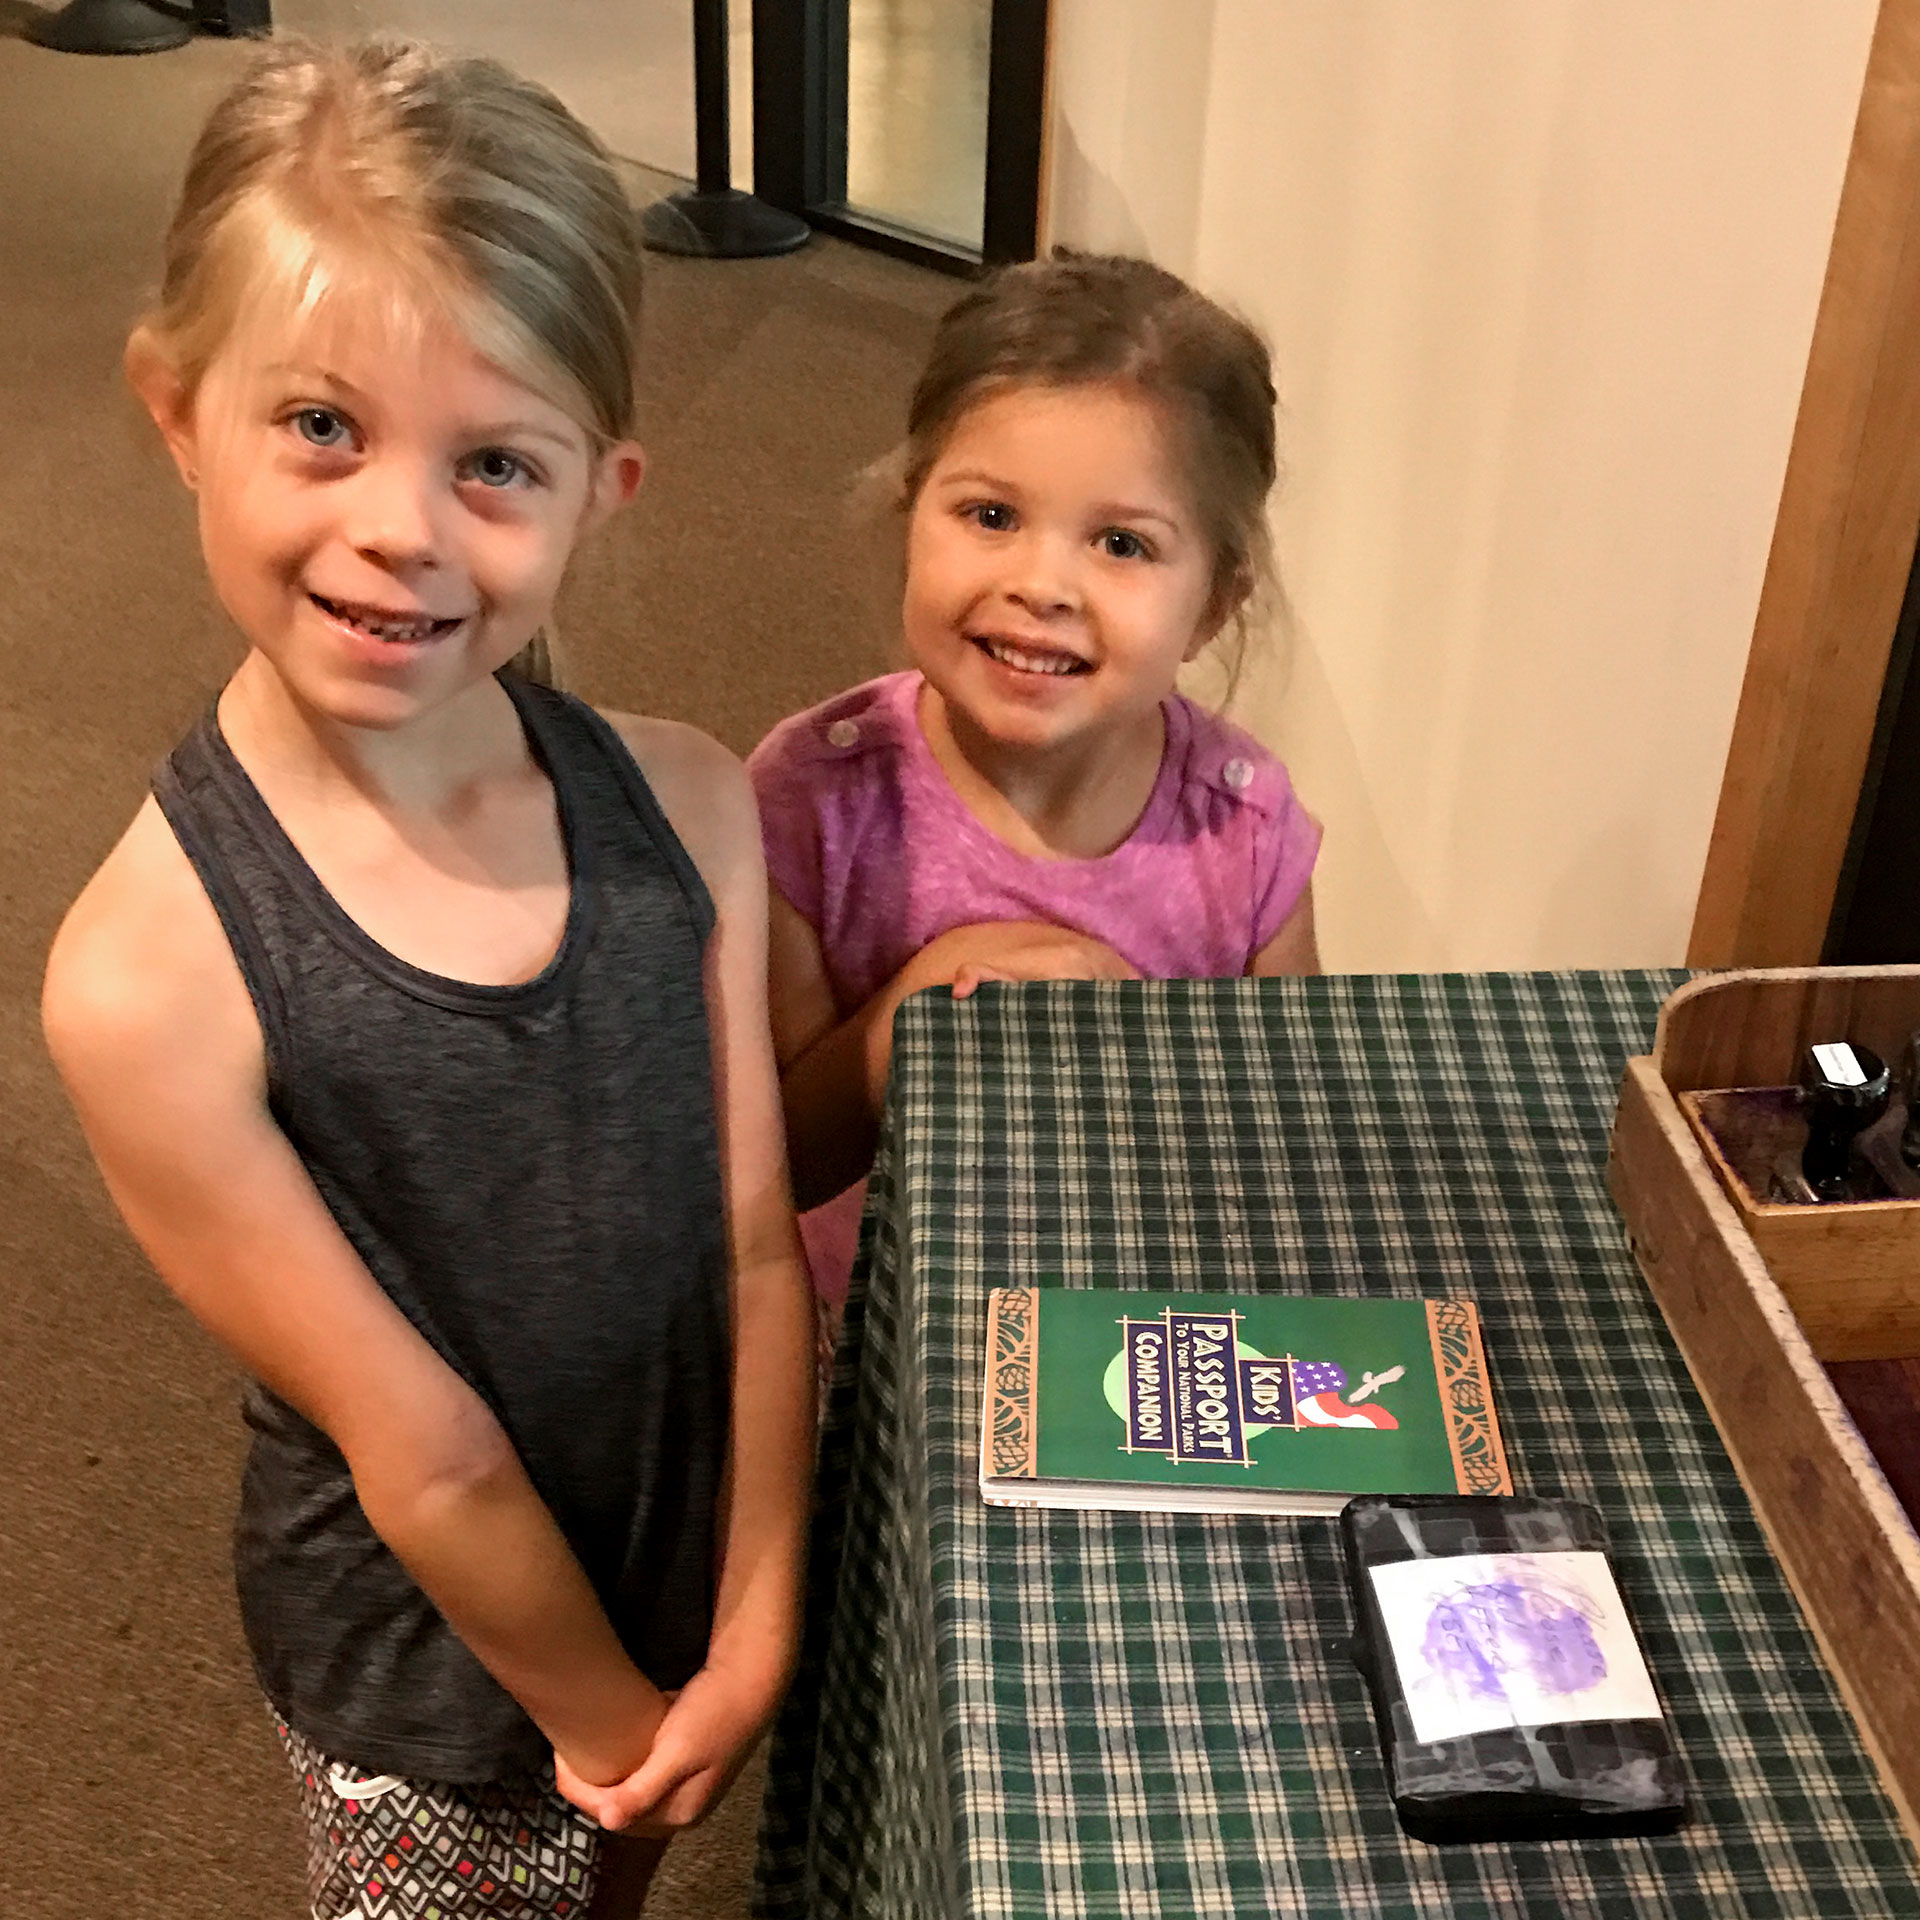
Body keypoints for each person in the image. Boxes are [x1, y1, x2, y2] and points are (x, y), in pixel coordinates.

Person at [40, 39, 813, 1920]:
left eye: (492, 464)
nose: (402, 526)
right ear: (175, 410)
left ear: (602, 487)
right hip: (428, 1683)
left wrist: (762, 1610)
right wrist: (632, 1735)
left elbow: (757, 1242)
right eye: (322, 426)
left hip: (676, 1554)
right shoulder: (149, 979)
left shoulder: (695, 803)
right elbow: (431, 1455)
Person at [750, 252, 1322, 1346]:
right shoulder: (804, 805)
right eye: (991, 515)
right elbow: (773, 1165)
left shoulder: (1244, 831)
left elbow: (1278, 1129)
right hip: (880, 1325)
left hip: (1140, 1315)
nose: (1042, 586)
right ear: (912, 510)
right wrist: (900, 1021)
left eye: (1122, 545)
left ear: (1214, 605)